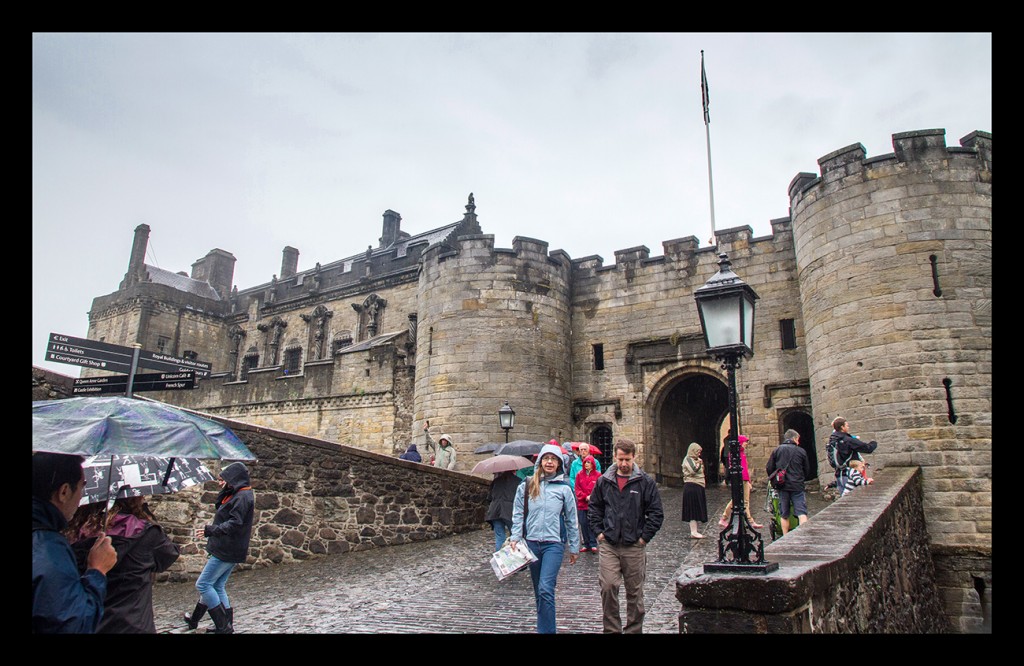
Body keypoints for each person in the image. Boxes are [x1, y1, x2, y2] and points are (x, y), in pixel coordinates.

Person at [32, 452, 118, 633]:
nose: (81, 497)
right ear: (64, 491)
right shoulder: (49, 549)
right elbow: (73, 625)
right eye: (81, 487)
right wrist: (97, 570)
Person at [67, 496, 180, 633]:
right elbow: (169, 555)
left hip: (92, 622)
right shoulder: (146, 531)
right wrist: (148, 515)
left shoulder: (77, 530)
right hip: (133, 624)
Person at [588, 438, 664, 634]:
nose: (623, 463)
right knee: (608, 586)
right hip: (609, 543)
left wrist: (644, 538)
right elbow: (594, 508)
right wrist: (599, 533)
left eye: (627, 460)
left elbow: (656, 513)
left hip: (634, 545)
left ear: (634, 457)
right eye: (620, 459)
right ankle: (612, 629)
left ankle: (633, 630)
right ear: (615, 456)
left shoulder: (645, 482)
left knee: (635, 592)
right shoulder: (604, 481)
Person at [509, 443, 580, 634]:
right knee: (539, 592)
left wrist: (574, 546)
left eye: (553, 459)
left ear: (559, 463)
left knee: (545, 588)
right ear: (540, 461)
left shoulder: (564, 489)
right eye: (546, 458)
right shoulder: (527, 485)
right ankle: (545, 626)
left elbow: (571, 519)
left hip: (553, 545)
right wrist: (515, 536)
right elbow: (518, 512)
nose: (549, 462)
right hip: (531, 543)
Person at [183, 461, 255, 634]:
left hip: (227, 549)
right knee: (218, 585)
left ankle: (223, 626)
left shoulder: (242, 497)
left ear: (234, 479)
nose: (221, 482)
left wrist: (210, 530)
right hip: (229, 547)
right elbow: (221, 507)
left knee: (203, 584)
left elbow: (235, 523)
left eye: (225, 479)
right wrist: (226, 488)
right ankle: (224, 624)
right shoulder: (237, 494)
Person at [765, 429, 813, 536]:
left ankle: (785, 536)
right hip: (797, 485)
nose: (798, 442)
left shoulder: (777, 450)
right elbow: (807, 469)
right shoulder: (801, 451)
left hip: (782, 486)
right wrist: (801, 478)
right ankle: (803, 535)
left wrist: (775, 479)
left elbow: (769, 467)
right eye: (798, 439)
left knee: (784, 513)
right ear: (794, 438)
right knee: (801, 512)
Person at [717, 435, 764, 529]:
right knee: (743, 501)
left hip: (744, 479)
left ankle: (724, 518)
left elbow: (745, 469)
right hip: (741, 479)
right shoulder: (736, 454)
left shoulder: (741, 453)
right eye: (745, 442)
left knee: (737, 500)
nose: (746, 444)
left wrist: (748, 481)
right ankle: (750, 521)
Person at [829, 417, 878, 491]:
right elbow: (868, 448)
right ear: (842, 427)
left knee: (845, 496)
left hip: (839, 475)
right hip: (851, 475)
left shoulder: (832, 440)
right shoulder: (847, 440)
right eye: (847, 426)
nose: (848, 427)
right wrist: (874, 443)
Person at [484, 470, 520, 552]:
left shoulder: (496, 481)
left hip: (495, 511)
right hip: (510, 511)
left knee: (500, 537)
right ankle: (513, 556)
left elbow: (489, 497)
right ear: (514, 470)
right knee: (515, 536)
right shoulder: (518, 481)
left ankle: (500, 557)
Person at [681, 442, 708, 539]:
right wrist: (699, 463)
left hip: (698, 486)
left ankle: (695, 531)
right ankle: (693, 531)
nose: (699, 454)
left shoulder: (697, 460)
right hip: (692, 486)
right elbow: (693, 470)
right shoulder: (688, 459)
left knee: (697, 509)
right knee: (693, 509)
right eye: (697, 452)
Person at [574, 454, 601, 552]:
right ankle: (586, 543)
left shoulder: (598, 475)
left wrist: (592, 497)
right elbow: (577, 488)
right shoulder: (579, 475)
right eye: (585, 462)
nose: (586, 464)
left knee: (592, 523)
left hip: (593, 504)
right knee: (583, 523)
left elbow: (599, 489)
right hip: (582, 504)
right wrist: (584, 496)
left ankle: (593, 543)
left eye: (588, 462)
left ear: (593, 464)